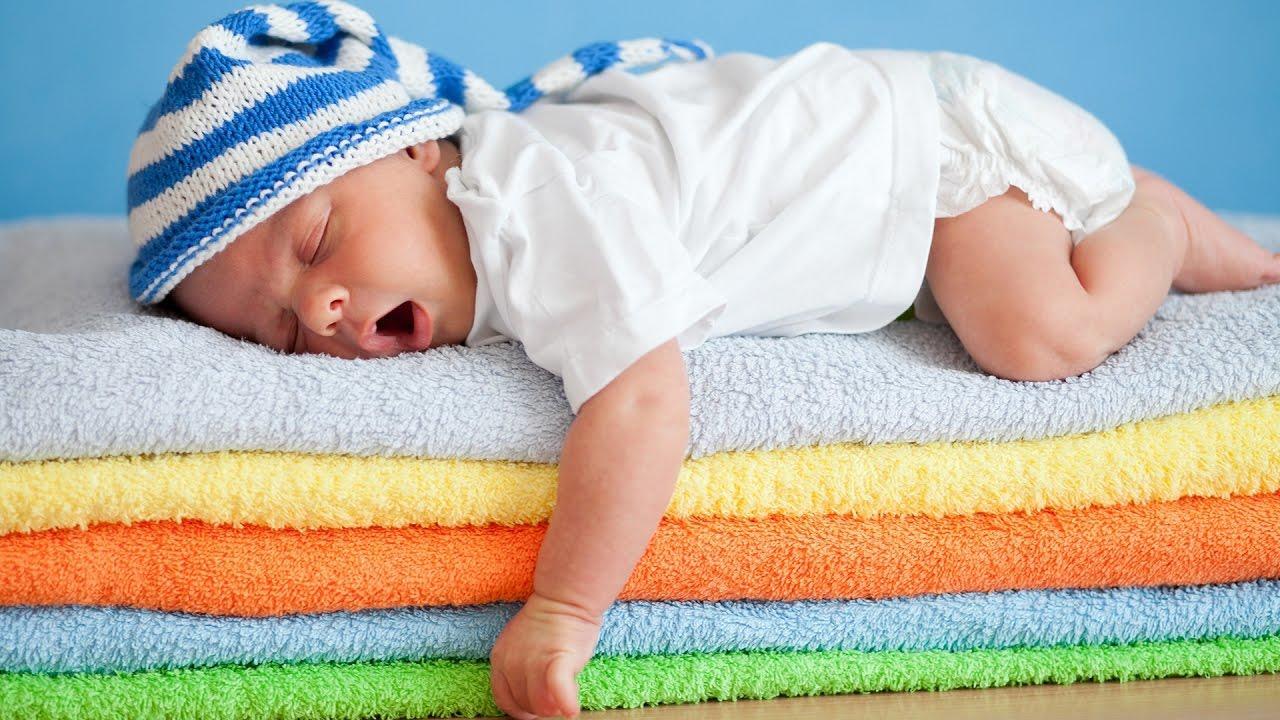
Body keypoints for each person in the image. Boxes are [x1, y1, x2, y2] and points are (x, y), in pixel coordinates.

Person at [127, 3, 1280, 718]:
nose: (319, 306)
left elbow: (642, 400)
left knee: (1038, 338)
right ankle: (1155, 228)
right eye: (276, 327)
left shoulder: (531, 201)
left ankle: (1154, 231)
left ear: (419, 148)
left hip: (928, 153)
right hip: (884, 141)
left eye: (315, 240)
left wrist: (564, 609)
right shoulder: (474, 215)